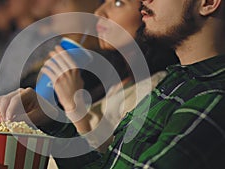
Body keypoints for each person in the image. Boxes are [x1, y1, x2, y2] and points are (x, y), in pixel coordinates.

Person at [0, 0, 225, 168]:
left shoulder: (211, 98)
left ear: (208, 2)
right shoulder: (178, 80)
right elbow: (103, 164)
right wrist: (48, 117)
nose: (145, 1)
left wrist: (73, 107)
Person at [40, 0, 177, 152]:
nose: (99, 13)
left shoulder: (155, 89)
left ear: (147, 12)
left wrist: (74, 103)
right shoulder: (119, 81)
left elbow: (112, 161)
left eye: (118, 3)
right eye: (104, 1)